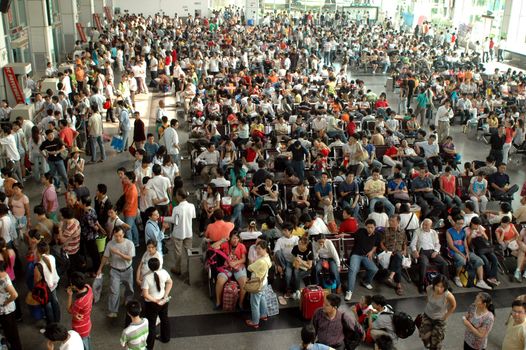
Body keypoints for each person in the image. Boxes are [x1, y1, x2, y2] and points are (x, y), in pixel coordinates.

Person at [96, 226, 135, 318]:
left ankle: (128, 300)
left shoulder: (129, 244)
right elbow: (105, 257)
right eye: (116, 236)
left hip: (127, 270)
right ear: (113, 234)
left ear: (123, 234)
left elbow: (130, 258)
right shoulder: (110, 244)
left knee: (129, 288)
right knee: (114, 291)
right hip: (114, 271)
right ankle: (113, 310)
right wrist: (100, 268)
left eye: (120, 236)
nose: (118, 238)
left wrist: (118, 253)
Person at [446, 216, 491, 290]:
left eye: (462, 224)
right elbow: (451, 246)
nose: (460, 225)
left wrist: (467, 253)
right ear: (454, 223)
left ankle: (480, 281)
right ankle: (457, 277)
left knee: (479, 260)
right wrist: (462, 255)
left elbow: (465, 244)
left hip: (464, 251)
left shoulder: (463, 231)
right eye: (458, 223)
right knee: (462, 260)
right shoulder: (449, 231)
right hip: (454, 251)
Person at [418, 274, 457, 350]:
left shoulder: (448, 295)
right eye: (437, 285)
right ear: (434, 284)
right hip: (427, 315)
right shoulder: (429, 288)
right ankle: (428, 345)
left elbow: (453, 306)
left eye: (442, 287)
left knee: (436, 341)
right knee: (423, 336)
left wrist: (446, 316)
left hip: (439, 319)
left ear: (445, 287)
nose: (439, 289)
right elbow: (427, 299)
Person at [410, 219, 449, 293]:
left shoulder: (434, 232)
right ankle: (421, 284)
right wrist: (414, 251)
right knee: (424, 264)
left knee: (444, 263)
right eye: (423, 224)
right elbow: (413, 244)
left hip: (432, 251)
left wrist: (436, 251)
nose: (424, 226)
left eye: (426, 225)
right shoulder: (417, 231)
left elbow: (437, 244)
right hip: (422, 251)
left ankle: (445, 284)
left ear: (431, 226)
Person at [163, 189, 195, 276]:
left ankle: (178, 269)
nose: (176, 196)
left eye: (177, 195)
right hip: (188, 232)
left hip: (178, 233)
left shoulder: (176, 208)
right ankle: (191, 269)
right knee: (189, 251)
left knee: (178, 252)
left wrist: (163, 218)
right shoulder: (191, 206)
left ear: (180, 196)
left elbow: (174, 220)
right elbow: (193, 216)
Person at [345, 219, 379, 301]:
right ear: (365, 227)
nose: (370, 229)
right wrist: (343, 234)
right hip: (356, 255)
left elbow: (376, 245)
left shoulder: (377, 235)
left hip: (366, 256)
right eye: (368, 227)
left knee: (374, 269)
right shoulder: (360, 231)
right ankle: (349, 291)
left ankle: (366, 282)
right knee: (353, 270)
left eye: (372, 227)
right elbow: (351, 235)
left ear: (375, 227)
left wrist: (371, 252)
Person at [142, 257, 172, 349]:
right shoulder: (164, 272)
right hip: (163, 300)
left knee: (151, 324)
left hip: (152, 304)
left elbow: (145, 294)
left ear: (149, 267)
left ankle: (149, 346)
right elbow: (170, 282)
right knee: (164, 319)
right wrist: (165, 295)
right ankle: (166, 338)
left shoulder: (147, 278)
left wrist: (155, 301)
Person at [214, 231, 248, 310]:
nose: (235, 240)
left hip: (239, 267)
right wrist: (222, 240)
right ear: (230, 239)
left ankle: (240, 303)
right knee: (220, 281)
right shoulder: (226, 244)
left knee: (244, 283)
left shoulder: (241, 246)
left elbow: (244, 259)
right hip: (227, 268)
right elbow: (214, 247)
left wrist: (235, 262)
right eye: (233, 238)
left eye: (237, 238)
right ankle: (218, 302)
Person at [245, 240, 272, 329]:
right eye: (256, 248)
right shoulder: (267, 257)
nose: (257, 251)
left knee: (254, 303)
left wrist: (254, 261)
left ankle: (255, 322)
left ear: (265, 249)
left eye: (259, 249)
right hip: (264, 281)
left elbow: (249, 268)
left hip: (257, 284)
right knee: (262, 298)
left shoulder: (260, 261)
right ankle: (263, 315)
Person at [34, 241, 61, 325]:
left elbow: (37, 280)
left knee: (48, 306)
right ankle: (57, 320)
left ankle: (51, 325)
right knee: (55, 302)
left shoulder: (38, 266)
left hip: (46, 289)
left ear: (38, 251)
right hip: (54, 284)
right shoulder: (52, 257)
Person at [381, 215, 408, 295]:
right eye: (390, 220)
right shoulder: (386, 231)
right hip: (388, 253)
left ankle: (391, 277)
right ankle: (398, 285)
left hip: (398, 253)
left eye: (393, 221)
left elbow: (404, 243)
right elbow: (381, 243)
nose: (390, 222)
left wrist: (405, 250)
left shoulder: (402, 231)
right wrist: (385, 250)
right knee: (398, 259)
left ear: (398, 222)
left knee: (398, 256)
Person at [66, 272, 93, 350]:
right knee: (87, 342)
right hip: (87, 322)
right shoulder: (88, 287)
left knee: (83, 346)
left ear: (74, 286)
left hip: (80, 328)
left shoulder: (79, 302)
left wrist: (70, 295)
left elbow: (69, 310)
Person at [274, 223, 299, 299]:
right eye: (283, 230)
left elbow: (299, 251)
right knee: (288, 275)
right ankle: (288, 289)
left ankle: (296, 290)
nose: (283, 232)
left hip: (295, 261)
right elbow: (275, 253)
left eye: (285, 230)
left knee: (295, 274)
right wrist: (277, 265)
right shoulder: (280, 240)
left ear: (290, 231)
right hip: (286, 262)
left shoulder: (296, 239)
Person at [0, 260, 21, 350]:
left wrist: (6, 302)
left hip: (6, 310)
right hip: (3, 310)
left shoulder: (4, 277)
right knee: (8, 332)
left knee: (12, 333)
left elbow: (14, 294)